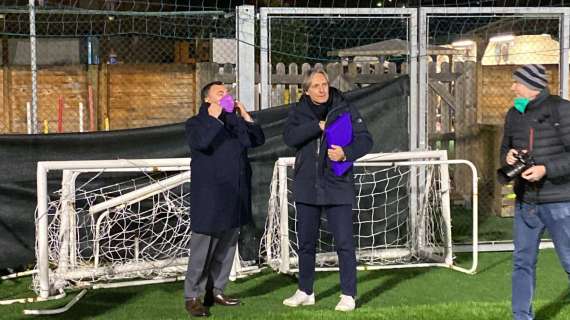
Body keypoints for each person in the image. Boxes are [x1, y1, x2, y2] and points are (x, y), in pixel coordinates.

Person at [281, 68, 373, 312]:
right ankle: (305, 291)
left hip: (338, 183)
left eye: (325, 84)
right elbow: (289, 137)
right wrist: (317, 127)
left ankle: (348, 295)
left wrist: (346, 152)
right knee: (306, 244)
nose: (322, 89)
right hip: (307, 185)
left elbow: (365, 139)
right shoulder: (299, 111)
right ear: (307, 90)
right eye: (316, 86)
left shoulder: (345, 107)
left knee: (344, 243)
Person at [184, 81, 265, 317]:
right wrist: (214, 118)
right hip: (210, 197)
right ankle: (192, 296)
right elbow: (200, 142)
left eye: (227, 92)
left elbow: (256, 140)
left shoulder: (234, 122)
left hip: (235, 193)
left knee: (227, 247)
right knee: (202, 250)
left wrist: (247, 118)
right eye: (221, 93)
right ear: (207, 99)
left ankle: (217, 290)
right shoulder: (196, 123)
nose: (226, 95)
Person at [499, 64, 570, 320]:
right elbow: (504, 150)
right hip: (525, 202)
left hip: (560, 202)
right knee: (522, 263)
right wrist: (507, 157)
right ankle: (521, 317)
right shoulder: (513, 113)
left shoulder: (562, 108)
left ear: (531, 85)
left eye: (516, 82)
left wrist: (545, 169)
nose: (512, 87)